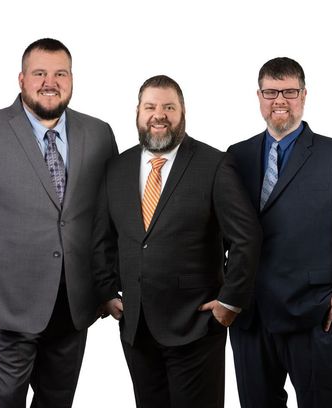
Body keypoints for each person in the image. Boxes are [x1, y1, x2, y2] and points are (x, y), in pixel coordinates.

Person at [0, 38, 118, 408]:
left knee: (57, 400)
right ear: (21, 79)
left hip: (75, 299)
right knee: (7, 400)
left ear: (71, 79)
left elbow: (110, 215)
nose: (50, 82)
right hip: (5, 300)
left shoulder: (99, 133)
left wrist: (106, 284)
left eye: (60, 73)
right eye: (40, 73)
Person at [226, 57, 332, 408]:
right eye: (271, 91)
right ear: (258, 96)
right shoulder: (235, 157)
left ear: (304, 95)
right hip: (250, 319)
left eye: (289, 91)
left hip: (315, 316)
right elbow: (220, 232)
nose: (279, 100)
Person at [92, 74, 261, 408]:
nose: (159, 114)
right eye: (151, 106)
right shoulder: (117, 167)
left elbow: (246, 237)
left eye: (169, 107)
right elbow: (102, 239)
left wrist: (230, 302)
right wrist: (107, 292)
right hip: (137, 327)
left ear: (183, 114)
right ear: (138, 113)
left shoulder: (214, 165)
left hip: (196, 326)